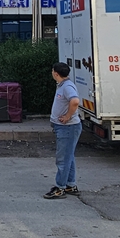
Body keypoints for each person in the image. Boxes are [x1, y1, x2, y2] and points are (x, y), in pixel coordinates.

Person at [44, 62, 81, 199]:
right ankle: (70, 184)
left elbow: (75, 101)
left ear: (56, 73)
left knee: (63, 159)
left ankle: (60, 188)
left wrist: (67, 116)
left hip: (67, 128)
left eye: (52, 71)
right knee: (68, 157)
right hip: (65, 127)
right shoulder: (63, 85)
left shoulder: (67, 87)